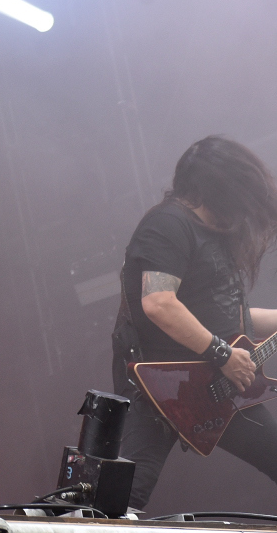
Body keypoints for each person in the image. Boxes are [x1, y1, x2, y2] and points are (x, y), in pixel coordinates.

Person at [113, 135, 277, 510]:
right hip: (160, 387)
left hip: (218, 387)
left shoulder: (215, 235)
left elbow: (227, 318)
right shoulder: (168, 225)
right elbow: (159, 303)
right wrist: (223, 354)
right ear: (220, 189)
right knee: (121, 499)